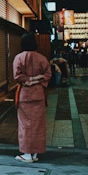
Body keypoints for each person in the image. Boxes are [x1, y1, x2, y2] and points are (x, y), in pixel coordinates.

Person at [13, 32, 52, 163]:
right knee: (38, 124)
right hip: (38, 94)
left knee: (25, 124)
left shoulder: (18, 57)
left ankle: (26, 153)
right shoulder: (42, 58)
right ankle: (35, 153)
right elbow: (48, 74)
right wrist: (36, 79)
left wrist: (28, 80)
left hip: (25, 95)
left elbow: (17, 76)